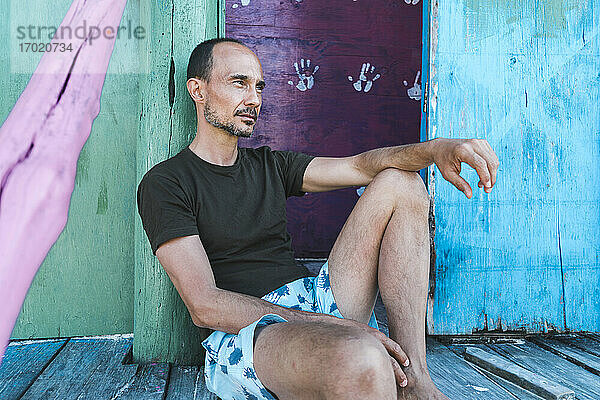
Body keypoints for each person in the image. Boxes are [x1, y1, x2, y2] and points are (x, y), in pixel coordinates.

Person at [137, 37, 499, 400]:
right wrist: (332, 326)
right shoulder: (166, 183)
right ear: (198, 91)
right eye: (239, 83)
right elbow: (204, 305)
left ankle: (414, 377)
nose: (254, 99)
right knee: (365, 360)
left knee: (399, 181)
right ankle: (359, 352)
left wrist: (436, 148)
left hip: (313, 300)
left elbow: (359, 166)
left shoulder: (271, 165)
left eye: (259, 86)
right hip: (254, 331)